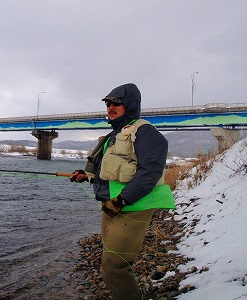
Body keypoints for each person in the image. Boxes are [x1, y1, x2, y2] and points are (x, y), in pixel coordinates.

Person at [70, 83, 175, 300]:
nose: (110, 107)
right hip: (112, 206)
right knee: (111, 264)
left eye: (116, 103)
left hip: (133, 207)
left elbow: (150, 172)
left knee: (114, 267)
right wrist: (85, 175)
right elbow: (106, 172)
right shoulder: (112, 136)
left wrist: (121, 200)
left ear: (130, 105)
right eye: (108, 103)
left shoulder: (145, 131)